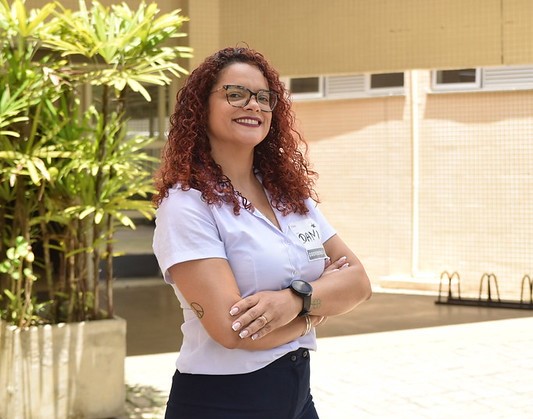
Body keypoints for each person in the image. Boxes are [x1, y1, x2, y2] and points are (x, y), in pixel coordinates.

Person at [152, 46, 372, 419]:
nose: (253, 105)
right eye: (235, 94)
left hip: (297, 397)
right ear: (201, 108)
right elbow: (232, 330)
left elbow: (359, 283)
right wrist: (316, 313)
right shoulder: (186, 204)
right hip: (222, 403)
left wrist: (295, 302)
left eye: (264, 97)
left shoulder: (289, 196)